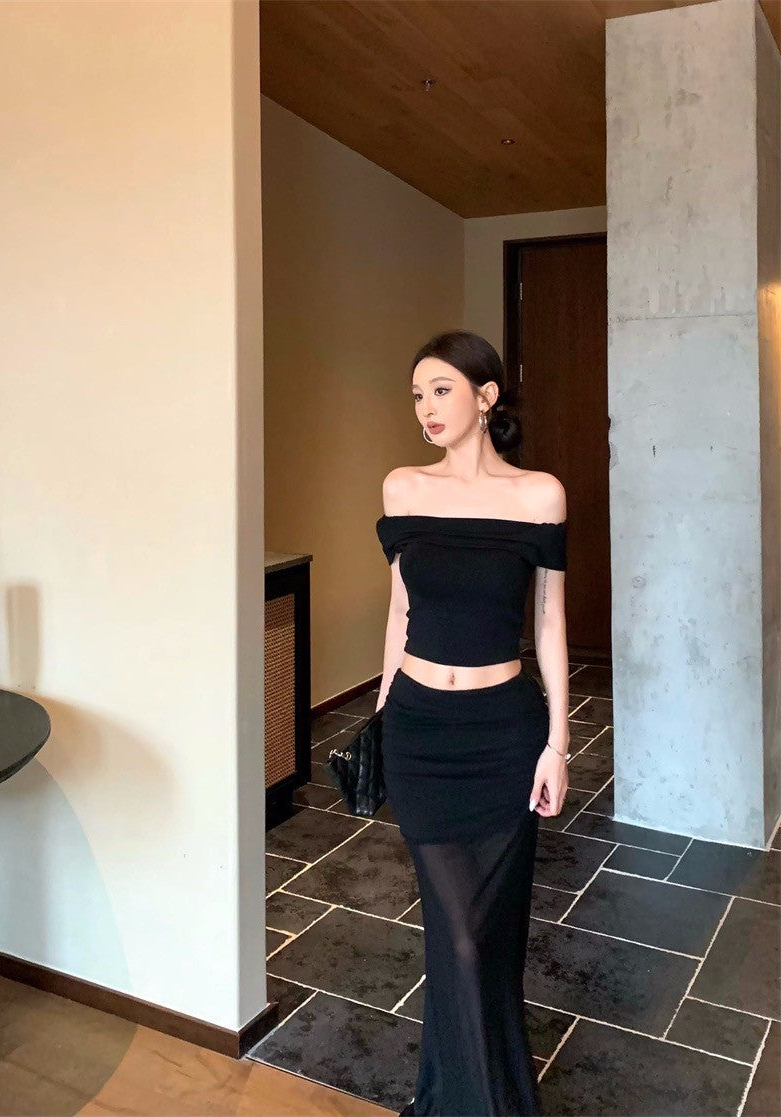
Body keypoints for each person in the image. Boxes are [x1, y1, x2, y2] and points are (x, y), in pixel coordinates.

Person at [374, 330, 569, 1117]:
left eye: (442, 389)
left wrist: (558, 743)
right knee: (456, 934)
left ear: (486, 396)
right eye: (417, 394)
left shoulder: (539, 495)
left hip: (502, 737)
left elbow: (550, 622)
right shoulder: (402, 489)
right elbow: (400, 611)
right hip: (420, 734)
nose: (425, 407)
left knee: (484, 938)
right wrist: (381, 716)